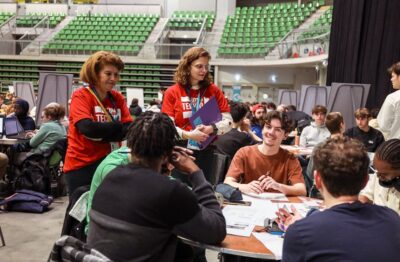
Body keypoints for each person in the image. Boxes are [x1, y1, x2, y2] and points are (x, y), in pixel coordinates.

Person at [87, 112, 226, 261]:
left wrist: (163, 167)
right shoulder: (169, 192)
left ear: (130, 144)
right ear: (168, 153)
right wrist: (195, 172)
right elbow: (216, 231)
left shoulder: (110, 177)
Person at [280, 137, 400, 262]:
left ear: (317, 180)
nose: (380, 177)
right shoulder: (393, 220)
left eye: (384, 175)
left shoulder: (299, 234)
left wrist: (303, 227)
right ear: (366, 180)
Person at [64, 51, 133, 196]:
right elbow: (87, 128)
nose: (113, 79)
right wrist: (116, 129)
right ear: (95, 73)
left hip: (110, 162)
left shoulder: (117, 98)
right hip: (82, 165)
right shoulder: (81, 95)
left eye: (116, 74)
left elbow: (129, 129)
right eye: (108, 74)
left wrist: (101, 134)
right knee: (79, 213)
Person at [162, 47, 231, 149]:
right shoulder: (172, 92)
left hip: (207, 147)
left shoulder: (214, 91)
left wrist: (211, 128)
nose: (204, 70)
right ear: (187, 67)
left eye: (206, 66)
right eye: (199, 66)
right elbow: (166, 126)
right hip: (180, 148)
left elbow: (229, 122)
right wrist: (189, 135)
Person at [224, 111, 306, 196]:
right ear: (262, 129)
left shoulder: (290, 158)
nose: (271, 132)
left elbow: (302, 190)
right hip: (250, 204)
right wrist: (244, 187)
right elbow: (228, 182)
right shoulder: (244, 153)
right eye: (268, 127)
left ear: (285, 135)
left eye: (277, 130)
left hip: (277, 206)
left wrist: (278, 186)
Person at [359, 139, 400, 214]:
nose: (377, 175)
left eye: (384, 174)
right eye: (376, 170)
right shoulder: (379, 172)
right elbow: (366, 195)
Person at [378, 61, 400, 139]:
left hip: (395, 146)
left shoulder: (393, 98)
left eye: (393, 76)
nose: (391, 79)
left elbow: (384, 126)